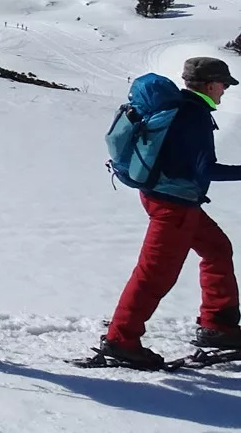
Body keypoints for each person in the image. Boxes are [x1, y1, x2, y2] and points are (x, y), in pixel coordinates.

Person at [99, 56, 241, 368]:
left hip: (169, 199)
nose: (224, 91)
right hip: (174, 207)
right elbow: (206, 169)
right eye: (223, 84)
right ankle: (122, 339)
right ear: (208, 84)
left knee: (217, 248)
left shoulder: (180, 108)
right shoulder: (194, 115)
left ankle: (220, 326)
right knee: (155, 275)